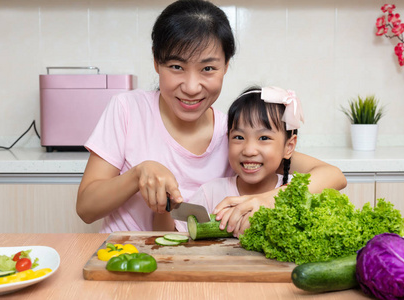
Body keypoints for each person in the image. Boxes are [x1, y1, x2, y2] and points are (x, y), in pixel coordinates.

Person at [76, 0, 347, 234]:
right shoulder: (126, 109)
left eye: (207, 68)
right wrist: (137, 175)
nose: (192, 87)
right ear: (156, 62)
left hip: (199, 260)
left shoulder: (235, 135)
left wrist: (270, 199)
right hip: (123, 254)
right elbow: (86, 209)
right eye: (176, 67)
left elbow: (332, 175)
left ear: (226, 66)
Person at [154, 86, 302, 235]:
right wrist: (163, 206)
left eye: (264, 138)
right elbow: (174, 236)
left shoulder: (299, 190)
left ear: (289, 147)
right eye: (239, 137)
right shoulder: (210, 192)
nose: (249, 150)